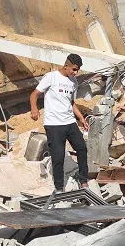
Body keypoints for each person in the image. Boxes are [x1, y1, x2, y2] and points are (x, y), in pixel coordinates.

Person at [30, 54, 89, 192]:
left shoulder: (74, 81)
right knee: (58, 156)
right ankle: (59, 188)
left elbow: (71, 102)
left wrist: (81, 118)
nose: (76, 73)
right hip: (53, 124)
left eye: (78, 70)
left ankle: (83, 181)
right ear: (66, 66)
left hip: (70, 122)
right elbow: (34, 94)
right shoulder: (51, 77)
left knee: (82, 148)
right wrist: (34, 109)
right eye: (74, 69)